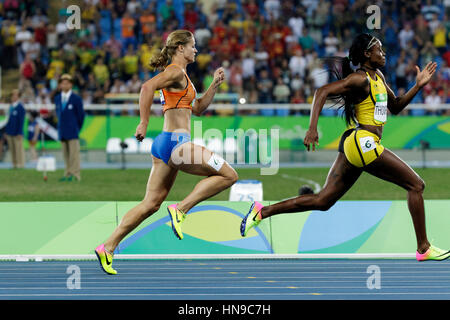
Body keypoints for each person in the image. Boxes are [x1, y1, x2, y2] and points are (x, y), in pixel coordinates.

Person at [241, 34, 450, 262]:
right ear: (367, 54)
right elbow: (322, 92)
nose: (383, 53)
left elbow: (396, 105)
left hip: (355, 143)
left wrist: (418, 86)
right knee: (416, 185)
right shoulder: (360, 79)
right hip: (363, 142)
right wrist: (312, 129)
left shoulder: (377, 77)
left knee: (323, 201)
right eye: (379, 49)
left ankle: (261, 211)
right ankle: (423, 248)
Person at [95, 30, 238, 275]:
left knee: (150, 204)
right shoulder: (175, 72)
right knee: (229, 175)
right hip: (177, 144)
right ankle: (180, 209)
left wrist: (214, 85)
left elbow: (199, 108)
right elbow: (146, 87)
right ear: (180, 48)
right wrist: (142, 123)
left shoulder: (183, 78)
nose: (196, 50)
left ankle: (108, 246)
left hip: (164, 144)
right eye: (193, 46)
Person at [54, 74, 85, 181]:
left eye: (67, 83)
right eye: (62, 83)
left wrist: (76, 128)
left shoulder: (76, 99)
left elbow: (81, 116)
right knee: (65, 154)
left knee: (74, 155)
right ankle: (67, 173)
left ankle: (75, 174)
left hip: (72, 130)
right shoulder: (57, 98)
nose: (64, 85)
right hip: (62, 130)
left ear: (71, 85)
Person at [4, 89, 25, 169]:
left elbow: (21, 121)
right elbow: (8, 120)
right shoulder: (11, 107)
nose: (14, 97)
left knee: (18, 149)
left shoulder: (20, 107)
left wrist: (20, 132)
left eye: (16, 95)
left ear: (18, 96)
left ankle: (20, 164)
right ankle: (14, 163)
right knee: (12, 149)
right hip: (10, 132)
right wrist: (6, 131)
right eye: (12, 95)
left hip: (17, 133)